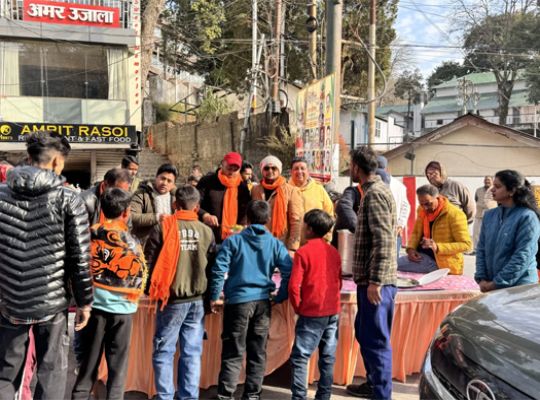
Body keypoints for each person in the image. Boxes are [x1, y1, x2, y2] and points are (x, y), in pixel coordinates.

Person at [0, 132, 93, 400]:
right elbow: (80, 258)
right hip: (52, 305)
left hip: (9, 302)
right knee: (51, 371)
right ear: (56, 164)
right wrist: (85, 302)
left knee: (5, 373)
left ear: (28, 159)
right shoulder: (69, 199)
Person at [208, 200, 292, 400]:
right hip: (263, 302)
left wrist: (213, 296)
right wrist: (280, 296)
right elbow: (289, 271)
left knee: (233, 350)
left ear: (246, 218)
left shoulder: (233, 241)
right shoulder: (275, 244)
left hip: (237, 303)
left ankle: (225, 395)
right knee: (257, 350)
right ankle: (253, 395)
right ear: (268, 219)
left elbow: (219, 270)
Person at [72, 188, 147, 400]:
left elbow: (80, 270)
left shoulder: (90, 235)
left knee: (88, 366)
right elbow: (139, 278)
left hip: (94, 309)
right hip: (123, 313)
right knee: (117, 369)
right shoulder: (133, 243)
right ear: (126, 213)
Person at [145, 185, 215, 400]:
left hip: (172, 300)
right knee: (192, 353)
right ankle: (188, 397)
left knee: (164, 351)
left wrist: (149, 290)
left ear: (175, 204)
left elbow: (148, 262)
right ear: (198, 207)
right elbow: (213, 267)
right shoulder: (206, 231)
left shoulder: (163, 228)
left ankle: (165, 396)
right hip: (197, 301)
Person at [345, 146, 397, 400]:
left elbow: (384, 240)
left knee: (376, 341)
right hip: (370, 281)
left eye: (350, 164)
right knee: (364, 334)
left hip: (377, 283)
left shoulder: (375, 193)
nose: (349, 168)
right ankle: (373, 384)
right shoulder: (372, 191)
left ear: (357, 166)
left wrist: (376, 280)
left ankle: (381, 394)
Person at [288, 210, 341, 400]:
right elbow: (338, 281)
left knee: (301, 357)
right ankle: (324, 396)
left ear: (309, 229)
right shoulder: (333, 251)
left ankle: (299, 396)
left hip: (312, 311)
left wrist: (298, 307)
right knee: (327, 357)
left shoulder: (303, 252)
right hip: (332, 309)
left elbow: (294, 286)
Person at [475, 170, 540, 292]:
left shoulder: (527, 217)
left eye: (497, 186)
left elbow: (522, 256)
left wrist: (497, 283)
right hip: (492, 285)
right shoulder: (489, 215)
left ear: (512, 191)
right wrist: (482, 278)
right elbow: (481, 249)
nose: (492, 189)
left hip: (520, 288)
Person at [398, 185, 472, 275]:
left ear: (437, 197)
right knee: (390, 264)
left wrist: (437, 247)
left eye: (428, 203)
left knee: (391, 266)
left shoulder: (455, 214)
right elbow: (416, 232)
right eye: (421, 204)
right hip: (421, 256)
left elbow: (467, 245)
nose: (425, 207)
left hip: (442, 264)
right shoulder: (421, 210)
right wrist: (411, 249)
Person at [251, 155, 304, 253]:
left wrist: (292, 248)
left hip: (281, 244)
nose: (270, 171)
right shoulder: (255, 190)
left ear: (279, 170)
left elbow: (296, 221)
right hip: (258, 242)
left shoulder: (291, 191)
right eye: (266, 168)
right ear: (262, 170)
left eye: (274, 168)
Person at [197, 152, 251, 243]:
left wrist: (241, 226)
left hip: (234, 236)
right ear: (222, 164)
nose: (232, 171)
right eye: (229, 167)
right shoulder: (207, 181)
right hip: (209, 234)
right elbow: (194, 203)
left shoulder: (242, 186)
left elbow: (245, 210)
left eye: (236, 169)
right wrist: (205, 215)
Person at [131, 163, 177, 245]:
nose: (165, 183)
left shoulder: (176, 197)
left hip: (168, 243)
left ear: (173, 184)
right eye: (162, 178)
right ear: (156, 177)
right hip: (146, 244)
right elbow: (132, 216)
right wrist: (157, 217)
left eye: (169, 181)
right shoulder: (142, 194)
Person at [378, 155, 410, 258]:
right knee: (391, 262)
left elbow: (405, 206)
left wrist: (400, 225)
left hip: (388, 230)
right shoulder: (400, 186)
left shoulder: (398, 186)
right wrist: (401, 224)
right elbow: (406, 207)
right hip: (392, 230)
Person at [472, 176, 497, 252]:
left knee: (490, 233)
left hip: (491, 214)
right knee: (476, 232)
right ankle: (476, 250)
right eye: (485, 180)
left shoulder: (495, 189)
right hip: (479, 214)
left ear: (492, 181)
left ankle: (490, 249)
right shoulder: (478, 190)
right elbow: (476, 199)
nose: (487, 182)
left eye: (488, 180)